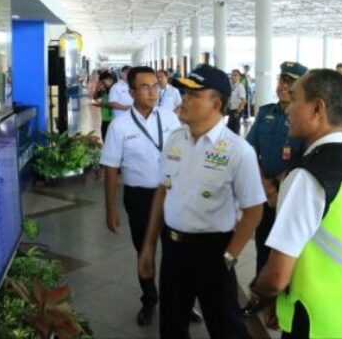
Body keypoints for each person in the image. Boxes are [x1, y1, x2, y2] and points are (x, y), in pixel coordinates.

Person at [251, 69, 342, 338]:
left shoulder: (307, 177)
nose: (287, 109)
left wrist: (258, 293)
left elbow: (277, 276)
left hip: (316, 323)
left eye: (295, 98)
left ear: (317, 108)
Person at [138, 64, 266, 339]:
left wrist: (229, 257)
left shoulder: (237, 150)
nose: (184, 99)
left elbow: (254, 210)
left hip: (214, 252)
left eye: (194, 95)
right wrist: (149, 246)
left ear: (216, 104)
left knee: (226, 328)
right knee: (172, 326)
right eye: (185, 93)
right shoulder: (175, 139)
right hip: (173, 249)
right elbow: (163, 191)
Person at [99, 66, 182, 326]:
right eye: (144, 87)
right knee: (144, 251)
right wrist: (110, 209)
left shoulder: (170, 118)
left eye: (155, 85)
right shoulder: (119, 126)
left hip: (172, 195)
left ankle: (180, 302)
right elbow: (111, 169)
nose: (152, 91)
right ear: (131, 92)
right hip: (139, 198)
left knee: (175, 253)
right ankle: (149, 299)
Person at [241, 61, 307, 318]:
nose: (283, 86)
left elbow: (309, 157)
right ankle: (262, 300)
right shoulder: (266, 112)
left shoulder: (306, 116)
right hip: (265, 191)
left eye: (290, 82)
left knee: (289, 251)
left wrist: (281, 187)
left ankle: (284, 304)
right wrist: (266, 185)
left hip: (292, 195)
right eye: (282, 80)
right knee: (263, 245)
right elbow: (249, 150)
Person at [92, 71, 115, 141]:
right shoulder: (104, 90)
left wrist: (101, 105)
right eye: (101, 82)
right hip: (105, 119)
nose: (103, 84)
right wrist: (96, 88)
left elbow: (115, 105)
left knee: (112, 141)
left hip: (113, 120)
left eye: (104, 82)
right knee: (105, 139)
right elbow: (95, 97)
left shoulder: (116, 90)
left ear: (110, 80)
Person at [227, 69, 247, 134]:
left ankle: (236, 143)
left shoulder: (240, 87)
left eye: (235, 75)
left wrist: (238, 112)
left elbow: (243, 100)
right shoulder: (233, 86)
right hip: (231, 110)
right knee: (230, 128)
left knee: (235, 129)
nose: (233, 77)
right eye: (232, 75)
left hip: (237, 110)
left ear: (239, 77)